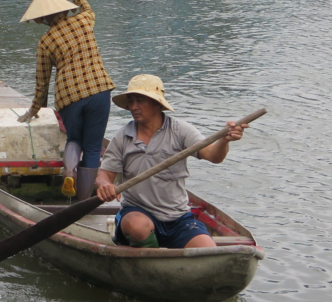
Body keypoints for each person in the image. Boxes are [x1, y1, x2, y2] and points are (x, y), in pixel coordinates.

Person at [96, 75, 249, 249]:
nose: (133, 107)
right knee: (137, 228)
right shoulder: (123, 136)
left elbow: (213, 155)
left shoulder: (180, 131)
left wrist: (224, 140)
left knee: (208, 250)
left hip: (177, 217)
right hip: (138, 212)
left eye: (140, 101)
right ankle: (149, 262)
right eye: (131, 101)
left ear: (157, 104)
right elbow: (104, 174)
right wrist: (105, 185)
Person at [15, 0, 114, 200]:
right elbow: (88, 9)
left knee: (74, 140)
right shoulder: (83, 20)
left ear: (42, 19)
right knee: (92, 147)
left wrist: (33, 111)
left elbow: (42, 84)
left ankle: (69, 171)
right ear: (64, 8)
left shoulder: (45, 42)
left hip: (69, 98)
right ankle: (83, 200)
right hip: (98, 90)